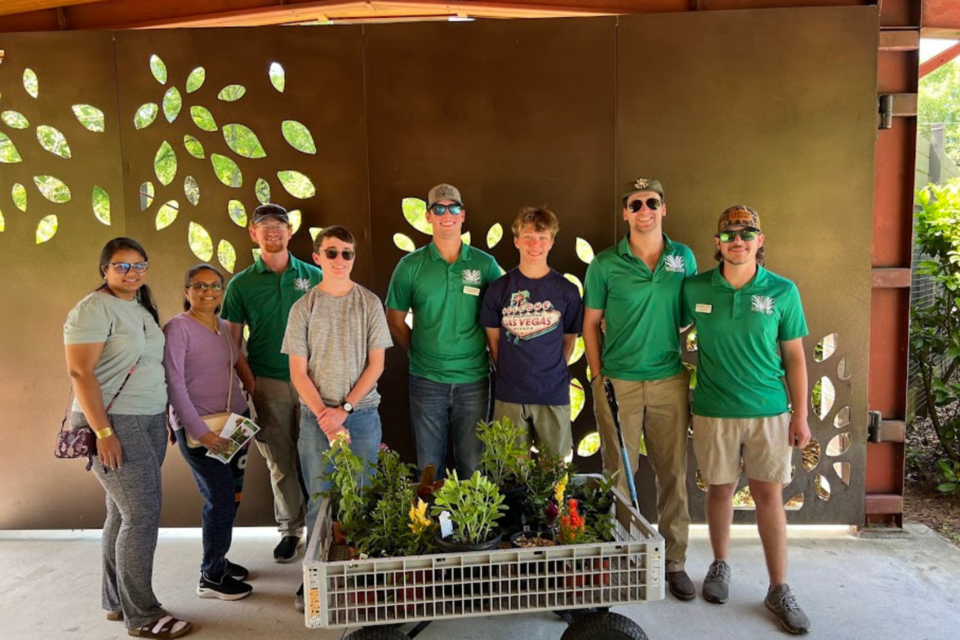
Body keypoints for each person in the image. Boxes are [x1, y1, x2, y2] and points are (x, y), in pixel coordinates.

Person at [681, 205, 812, 634]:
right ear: (718, 243)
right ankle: (719, 566)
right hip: (714, 410)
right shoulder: (695, 287)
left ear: (760, 240)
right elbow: (665, 325)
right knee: (719, 490)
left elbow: (794, 356)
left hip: (769, 412)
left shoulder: (782, 290)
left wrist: (801, 415)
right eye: (729, 234)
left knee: (768, 497)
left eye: (747, 232)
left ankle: (779, 587)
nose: (738, 240)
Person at [64, 237, 192, 639]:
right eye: (121, 266)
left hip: (147, 418)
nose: (131, 272)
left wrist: (165, 417)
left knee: (122, 513)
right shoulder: (92, 309)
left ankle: (117, 601)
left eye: (139, 264)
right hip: (115, 421)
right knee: (141, 516)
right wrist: (102, 431)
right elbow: (80, 374)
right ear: (104, 268)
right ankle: (143, 615)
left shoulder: (136, 305)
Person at [583, 177, 698, 601]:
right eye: (636, 203)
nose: (644, 209)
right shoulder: (605, 263)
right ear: (625, 213)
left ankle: (675, 562)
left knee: (674, 474)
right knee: (620, 476)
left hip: (669, 379)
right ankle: (621, 556)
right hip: (620, 383)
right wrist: (599, 377)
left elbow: (690, 316)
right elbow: (590, 323)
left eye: (652, 202)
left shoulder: (682, 257)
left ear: (663, 209)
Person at [282, 225, 393, 610]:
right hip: (315, 420)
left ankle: (360, 575)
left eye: (347, 253)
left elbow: (376, 364)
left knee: (361, 498)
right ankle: (314, 581)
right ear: (316, 258)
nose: (340, 260)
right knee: (319, 501)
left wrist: (342, 411)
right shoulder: (303, 307)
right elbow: (298, 371)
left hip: (360, 416)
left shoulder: (369, 303)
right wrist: (324, 416)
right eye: (332, 253)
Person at [221, 203, 322, 563]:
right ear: (253, 233)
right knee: (280, 461)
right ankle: (291, 531)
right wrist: (251, 384)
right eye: (264, 226)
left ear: (290, 231)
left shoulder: (315, 274)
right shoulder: (241, 284)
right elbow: (231, 342)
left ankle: (322, 530)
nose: (273, 231)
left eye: (279, 225)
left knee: (318, 460)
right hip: (268, 383)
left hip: (315, 384)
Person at [386, 183, 502, 479]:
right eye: (439, 208)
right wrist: (418, 350)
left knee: (473, 466)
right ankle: (432, 526)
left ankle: (471, 528)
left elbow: (503, 315)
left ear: (463, 215)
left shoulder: (484, 264)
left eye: (453, 208)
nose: (446, 214)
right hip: (427, 380)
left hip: (474, 379)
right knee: (429, 468)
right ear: (428, 216)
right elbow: (394, 318)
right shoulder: (410, 266)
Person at [163, 264, 254, 601]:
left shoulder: (220, 326)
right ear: (187, 291)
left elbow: (234, 366)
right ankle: (211, 577)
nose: (208, 292)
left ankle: (219, 558)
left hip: (232, 426)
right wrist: (200, 432)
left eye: (215, 285)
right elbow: (173, 384)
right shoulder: (178, 329)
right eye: (199, 286)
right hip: (202, 431)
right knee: (218, 501)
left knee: (230, 500)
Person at [480, 207, 583, 457]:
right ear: (516, 241)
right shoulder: (498, 289)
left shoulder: (566, 291)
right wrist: (511, 372)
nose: (534, 244)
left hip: (552, 392)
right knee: (511, 473)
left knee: (554, 472)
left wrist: (548, 371)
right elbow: (493, 342)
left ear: (551, 243)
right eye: (528, 237)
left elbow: (569, 341)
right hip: (510, 394)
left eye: (542, 237)